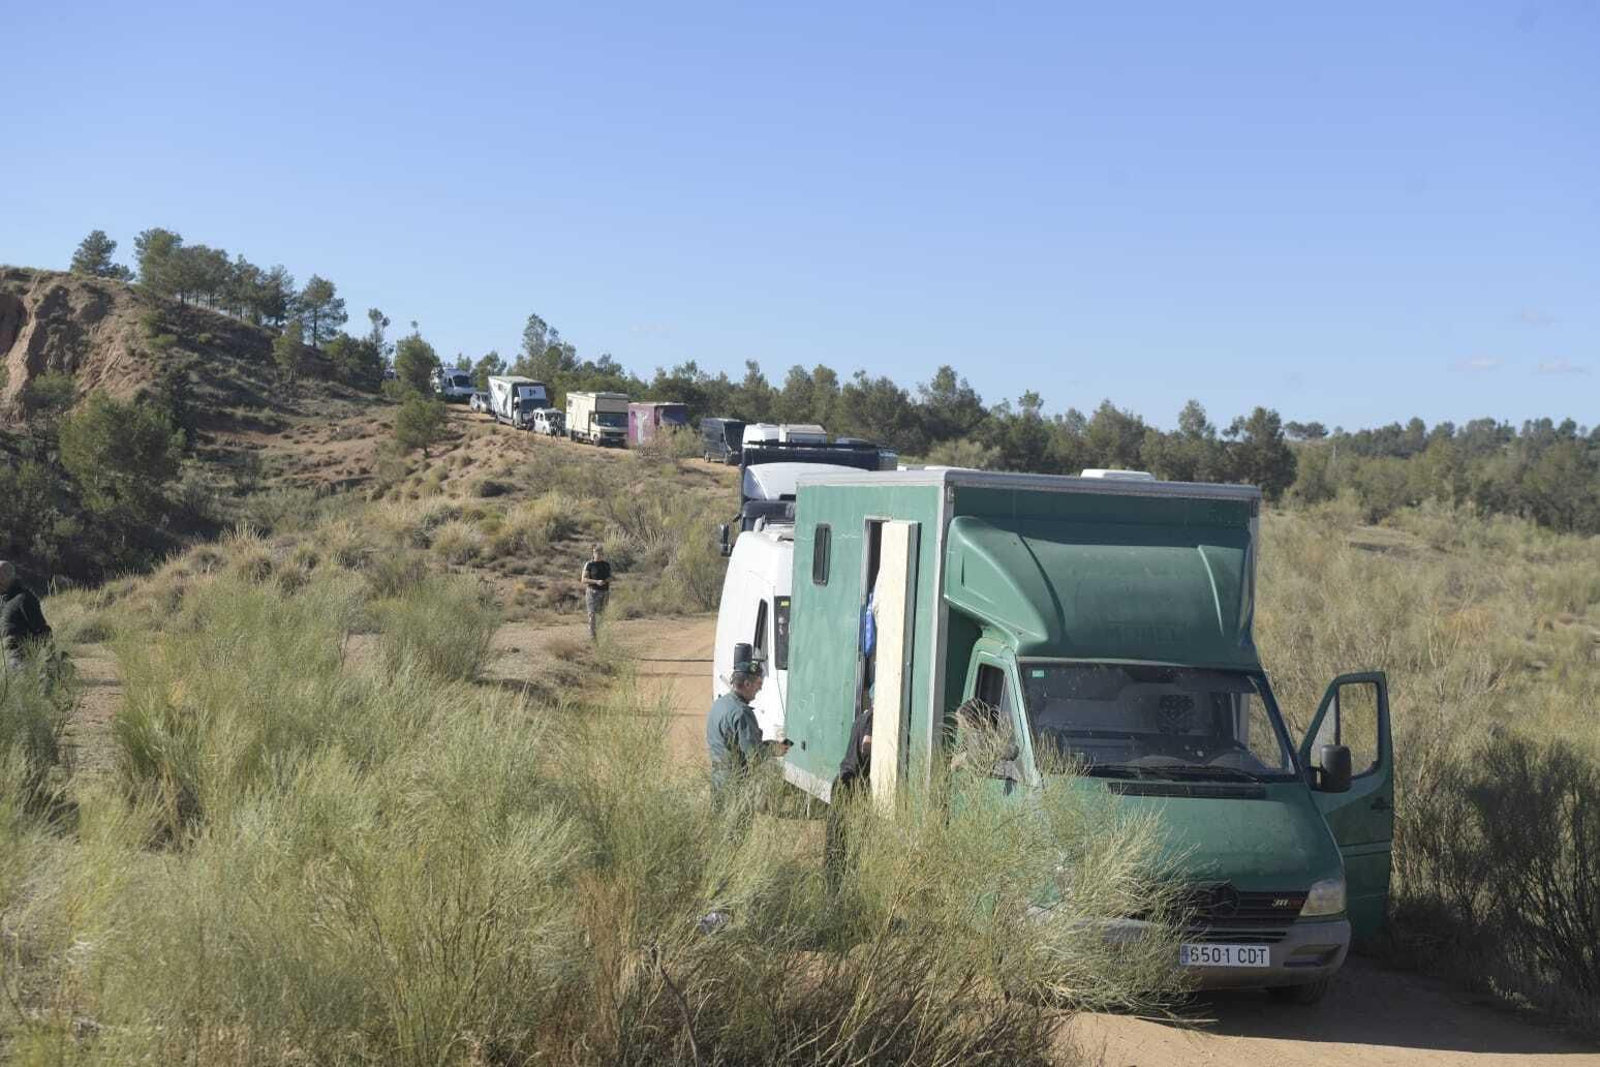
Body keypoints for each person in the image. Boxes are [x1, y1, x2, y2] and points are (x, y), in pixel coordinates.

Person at [705, 643, 792, 816]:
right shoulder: (741, 713)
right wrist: (778, 748)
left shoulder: (719, 704)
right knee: (736, 835)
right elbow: (755, 755)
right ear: (746, 684)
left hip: (717, 780)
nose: (759, 689)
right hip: (735, 784)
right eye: (758, 684)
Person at [824, 692, 874, 894]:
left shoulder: (861, 717)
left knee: (837, 837)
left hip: (843, 780)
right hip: (852, 783)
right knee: (851, 839)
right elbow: (867, 745)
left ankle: (832, 888)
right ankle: (841, 889)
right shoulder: (873, 717)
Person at [0, 561, 51, 671]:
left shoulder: (25, 598)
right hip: (5, 657)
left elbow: (41, 629)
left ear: (5, 578)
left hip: (20, 659)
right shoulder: (5, 601)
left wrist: (51, 659)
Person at [579, 545, 612, 640]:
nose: (598, 554)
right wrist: (596, 582)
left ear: (603, 554)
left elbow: (610, 577)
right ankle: (593, 638)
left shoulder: (606, 564)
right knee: (592, 615)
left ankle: (601, 635)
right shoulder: (589, 564)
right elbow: (583, 579)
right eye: (596, 552)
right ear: (593, 553)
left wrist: (606, 581)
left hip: (605, 592)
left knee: (602, 615)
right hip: (592, 592)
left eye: (600, 553)